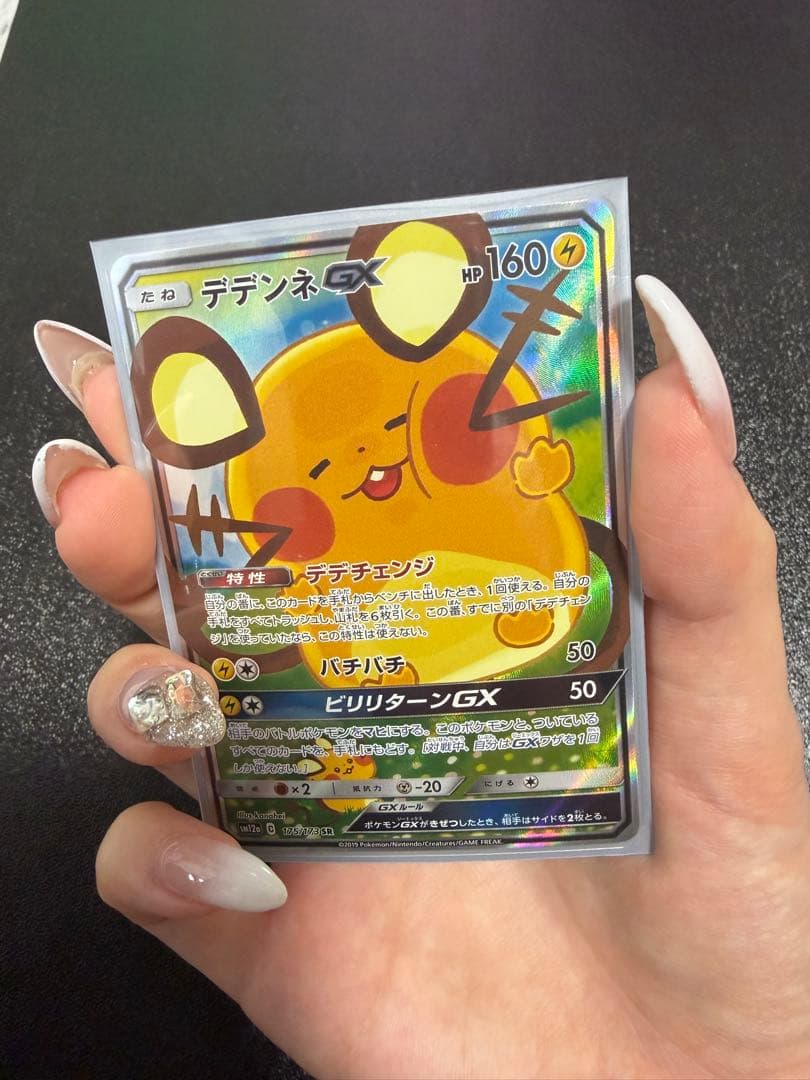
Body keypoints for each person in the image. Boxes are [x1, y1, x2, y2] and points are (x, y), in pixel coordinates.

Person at [31, 278, 809, 1079]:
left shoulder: (524, 524)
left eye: (398, 431)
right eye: (322, 467)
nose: (369, 461)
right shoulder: (314, 583)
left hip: (533, 642)